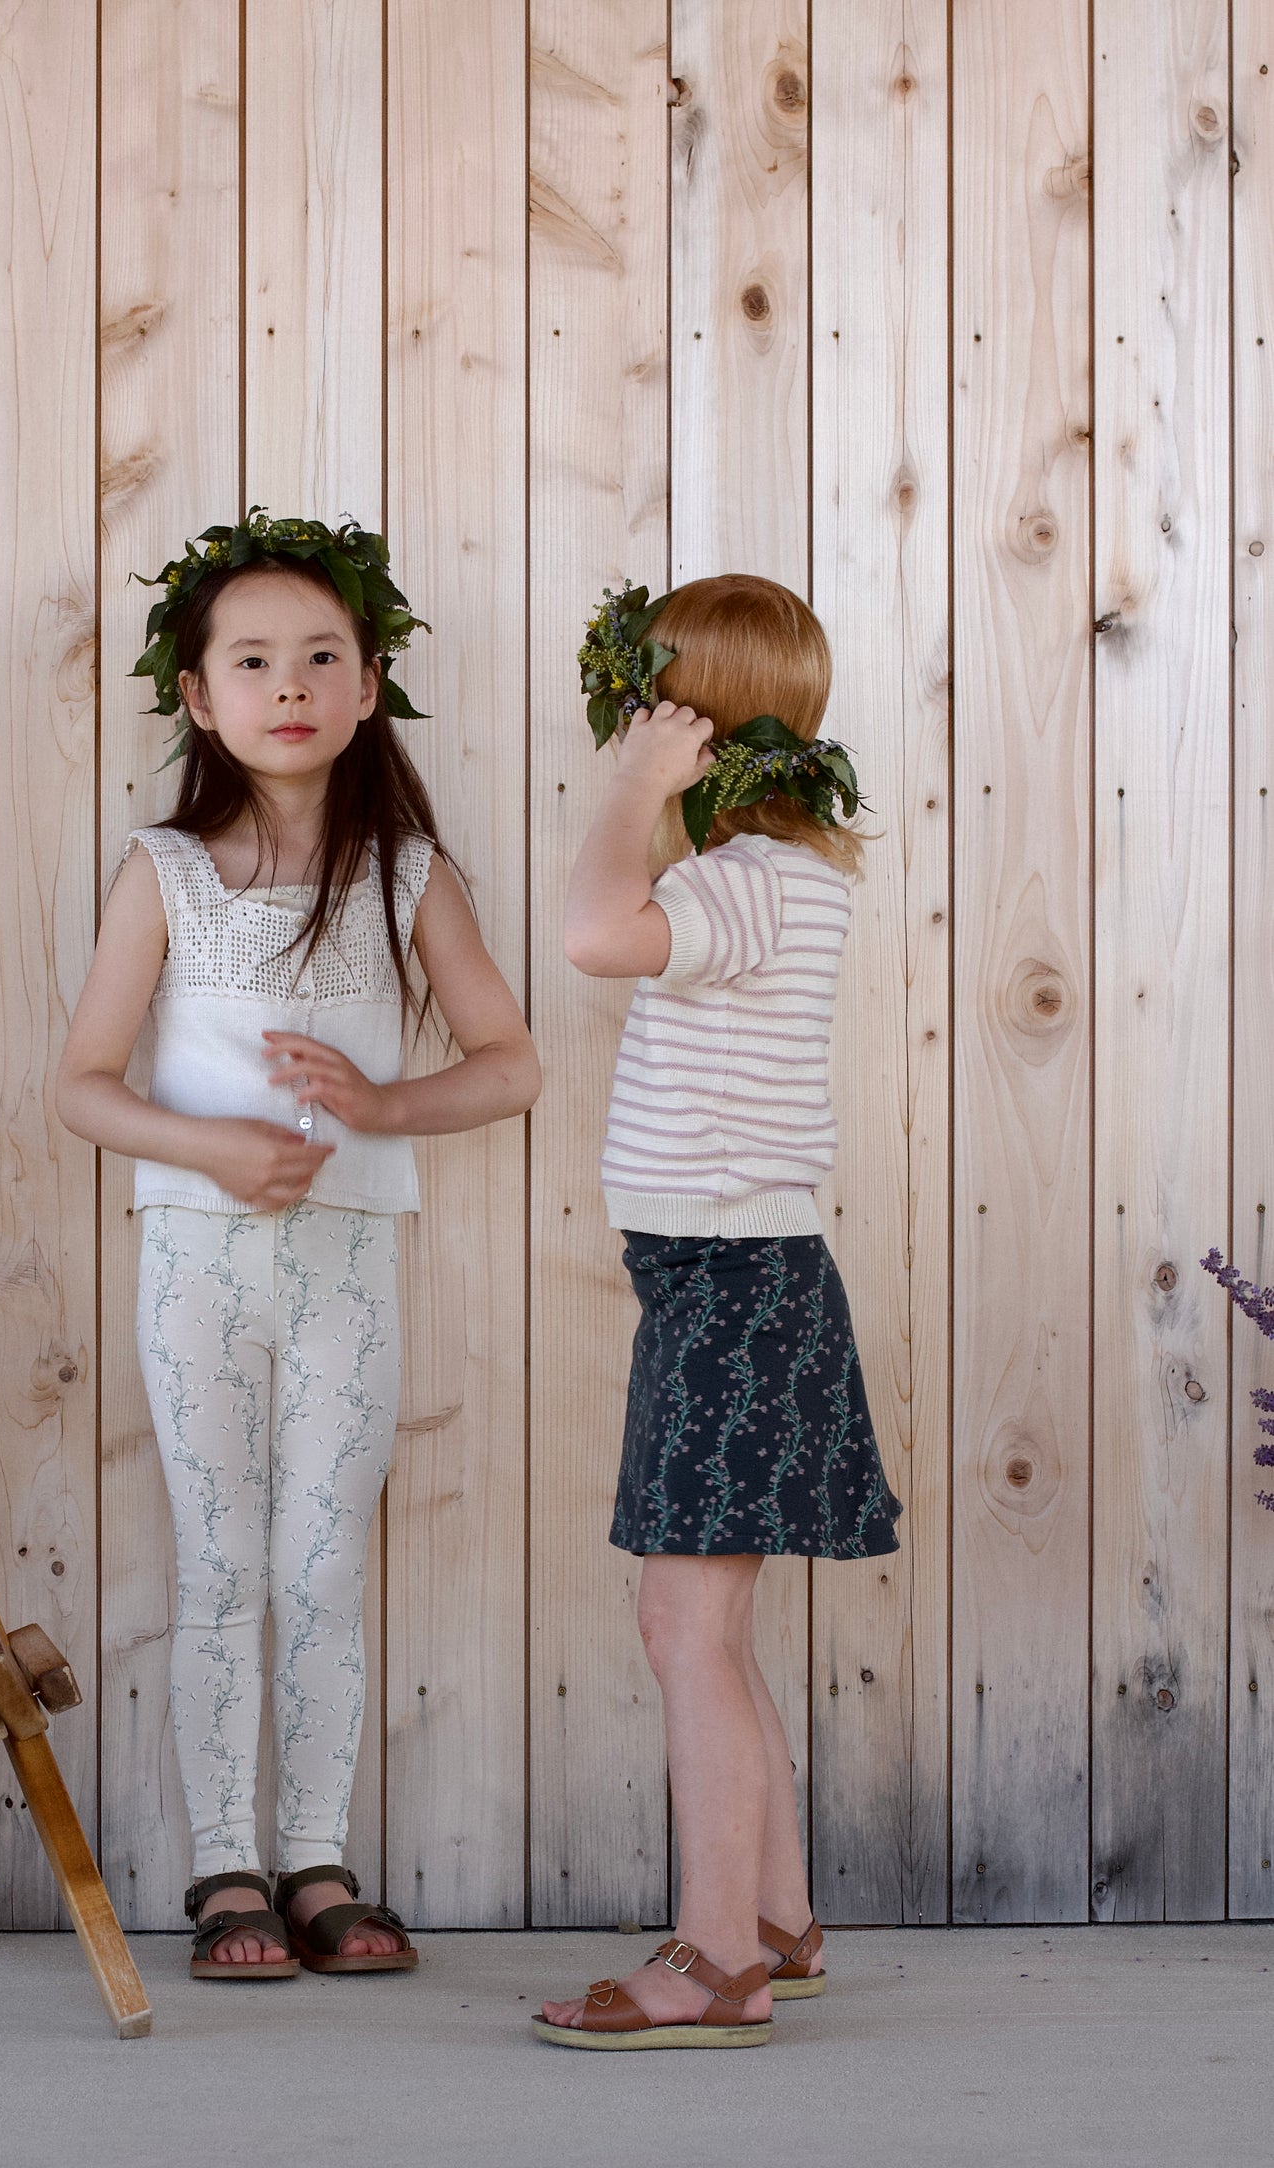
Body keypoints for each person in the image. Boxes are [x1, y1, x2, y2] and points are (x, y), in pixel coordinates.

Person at [57, 513, 539, 1980]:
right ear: (197, 696)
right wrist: (212, 1144)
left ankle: (317, 1858)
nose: (289, 684)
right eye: (252, 659)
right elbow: (78, 1084)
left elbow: (508, 1060)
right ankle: (222, 1870)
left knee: (322, 1563)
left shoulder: (404, 873)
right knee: (222, 1561)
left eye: (321, 656)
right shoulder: (163, 870)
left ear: (367, 683)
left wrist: (382, 1102)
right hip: (197, 1266)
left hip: (346, 1268)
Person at [534, 573, 901, 2050]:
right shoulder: (779, 878)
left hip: (735, 1291)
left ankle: (711, 1961)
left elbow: (585, 931)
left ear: (691, 723)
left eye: (648, 707)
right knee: (708, 1628)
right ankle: (771, 1921)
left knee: (685, 1628)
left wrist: (628, 791)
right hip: (726, 1283)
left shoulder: (736, 884)